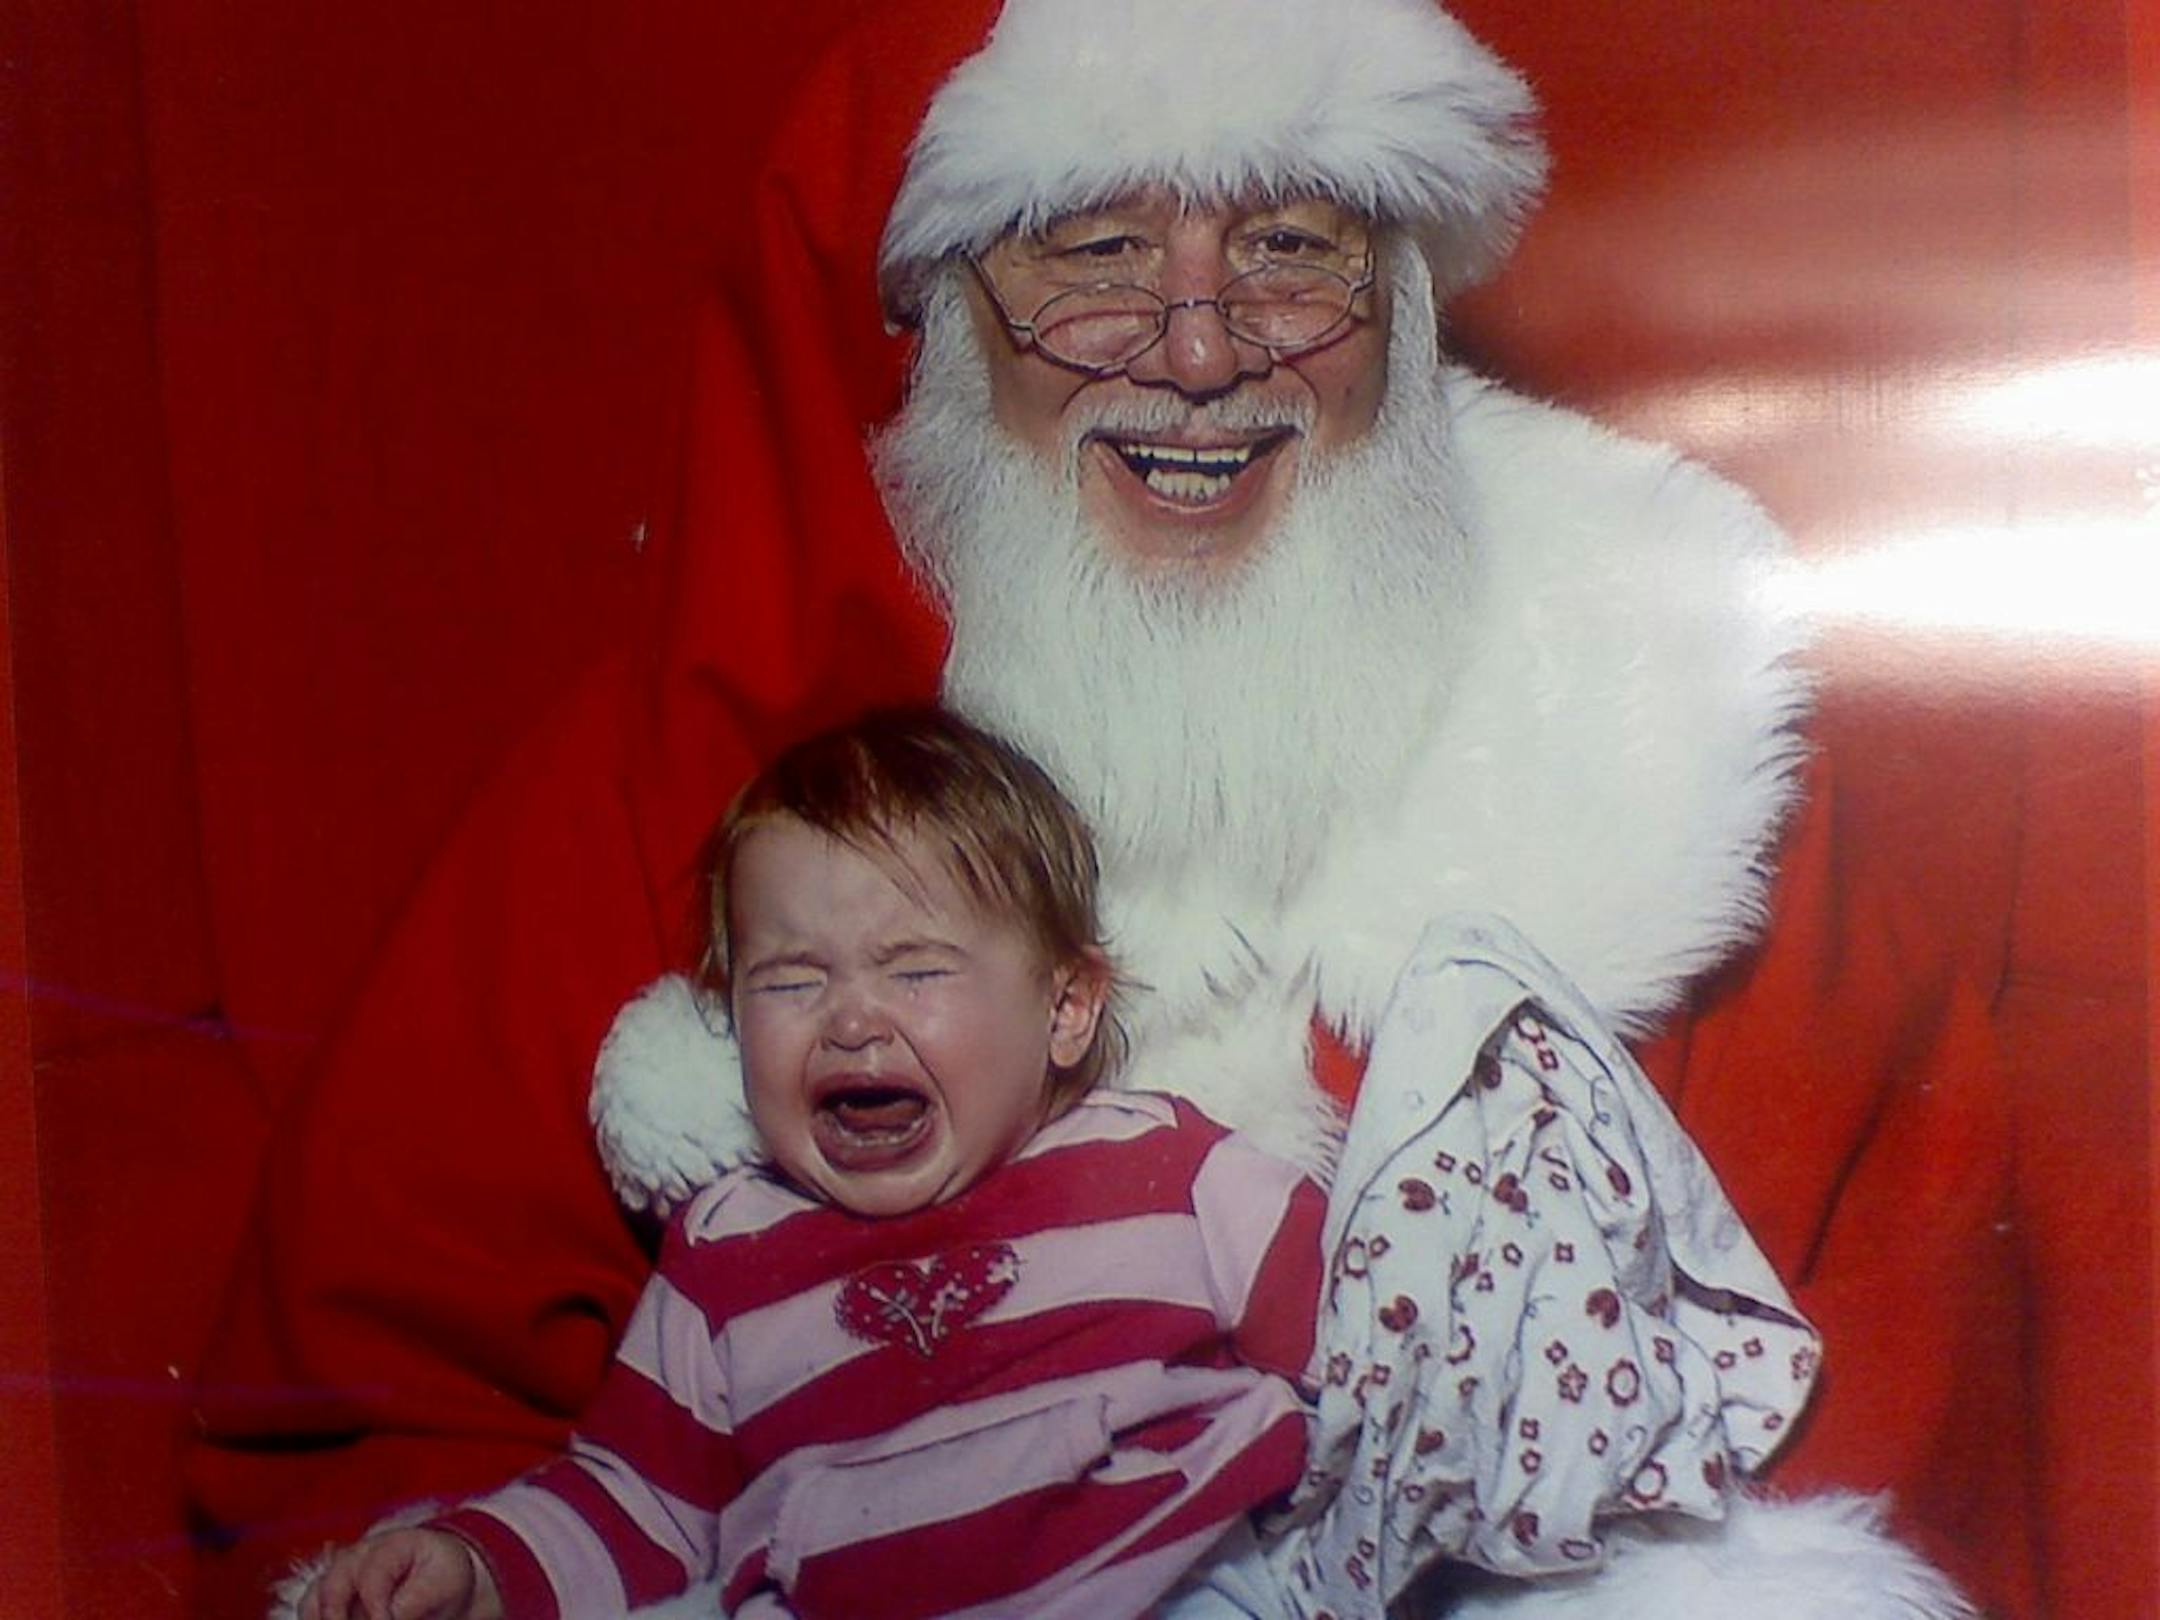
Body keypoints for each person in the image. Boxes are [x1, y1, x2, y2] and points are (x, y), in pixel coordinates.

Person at [190, 2, 2025, 1614]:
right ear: (937, 326)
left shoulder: (1647, 722)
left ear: (1395, 307)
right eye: (1092, 253)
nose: (1206, 355)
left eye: (1296, 251)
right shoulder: (685, 787)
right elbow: (423, 1435)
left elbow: (1851, 1361)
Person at [291, 708, 1329, 1619]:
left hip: (1160, 1581)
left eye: (914, 968)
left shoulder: (1162, 1166)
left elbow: (1371, 1320)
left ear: (1065, 1009)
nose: (849, 1019)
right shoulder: (731, 1252)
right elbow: (635, 1503)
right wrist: (476, 1566)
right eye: (790, 982)